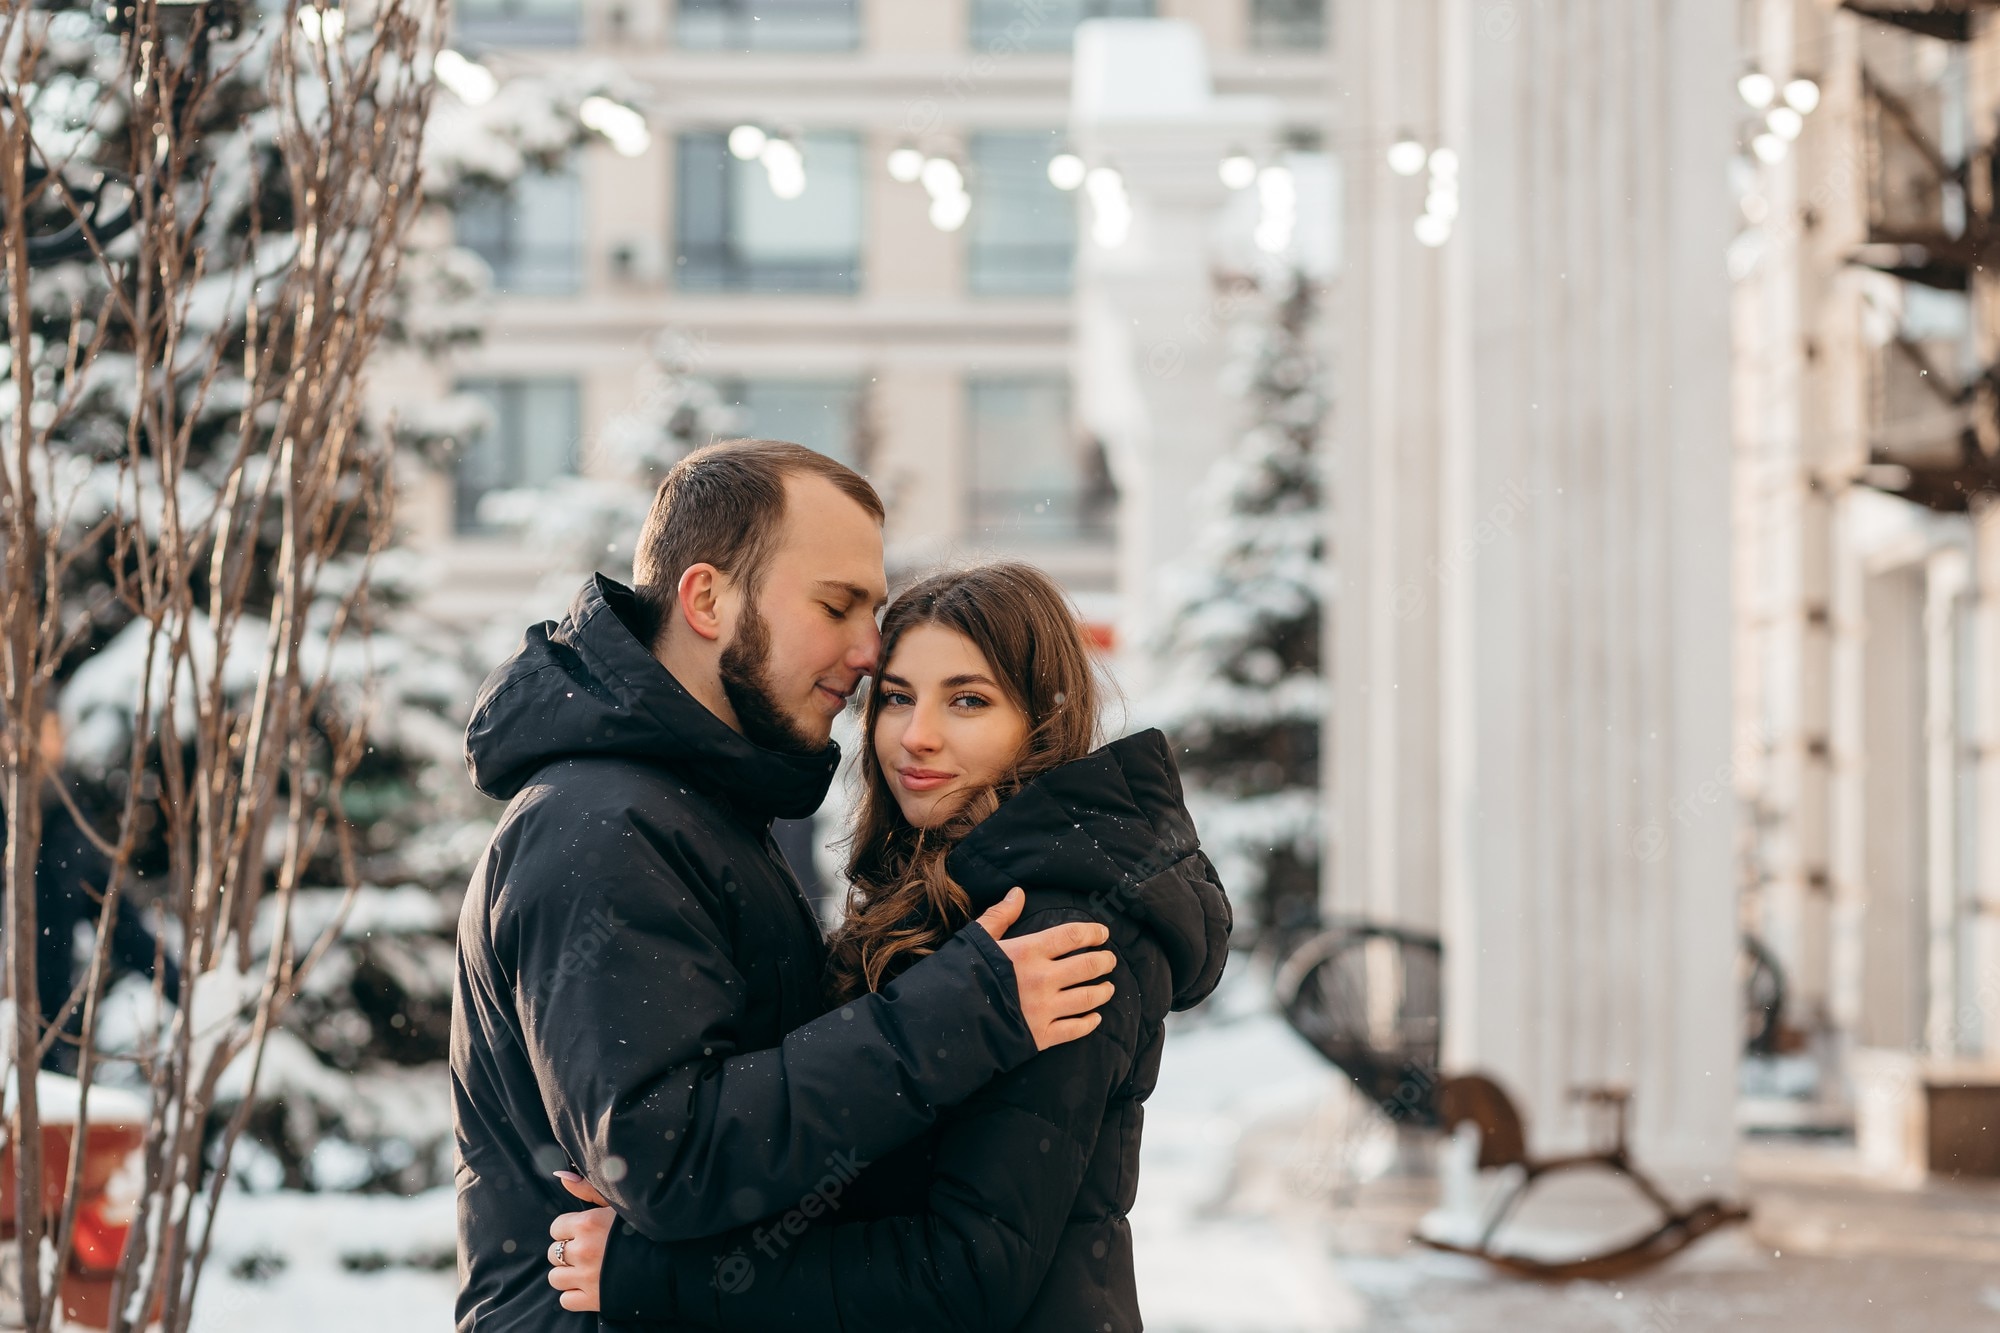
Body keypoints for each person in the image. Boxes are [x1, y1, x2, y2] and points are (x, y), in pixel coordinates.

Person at [453, 442, 1120, 1332]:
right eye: (837, 604)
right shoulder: (605, 823)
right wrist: (958, 1014)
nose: (869, 650)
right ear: (707, 598)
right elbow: (661, 1159)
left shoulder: (703, 811)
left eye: (874, 609)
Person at [544, 562, 1233, 1332]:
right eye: (897, 697)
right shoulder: (937, 893)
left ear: (1041, 720)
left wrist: (653, 1272)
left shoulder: (1062, 929)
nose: (918, 734)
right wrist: (680, 1189)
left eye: (968, 699)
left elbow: (966, 1272)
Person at [0, 713, 181, 1075]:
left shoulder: (67, 818)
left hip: (45, 1028)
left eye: (55, 731)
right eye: (43, 730)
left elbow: (114, 917)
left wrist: (179, 987)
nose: (54, 743)